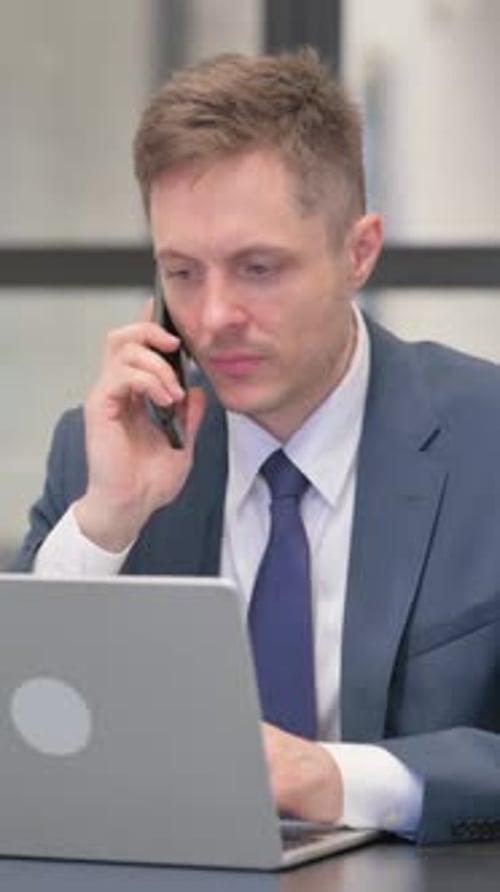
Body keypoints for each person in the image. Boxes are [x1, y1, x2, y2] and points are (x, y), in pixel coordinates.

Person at [12, 48, 500, 844]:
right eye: (182, 272)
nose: (212, 319)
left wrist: (335, 777)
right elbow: (21, 742)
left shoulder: (487, 439)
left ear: (359, 252)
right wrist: (107, 521)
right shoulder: (103, 453)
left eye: (258, 268)